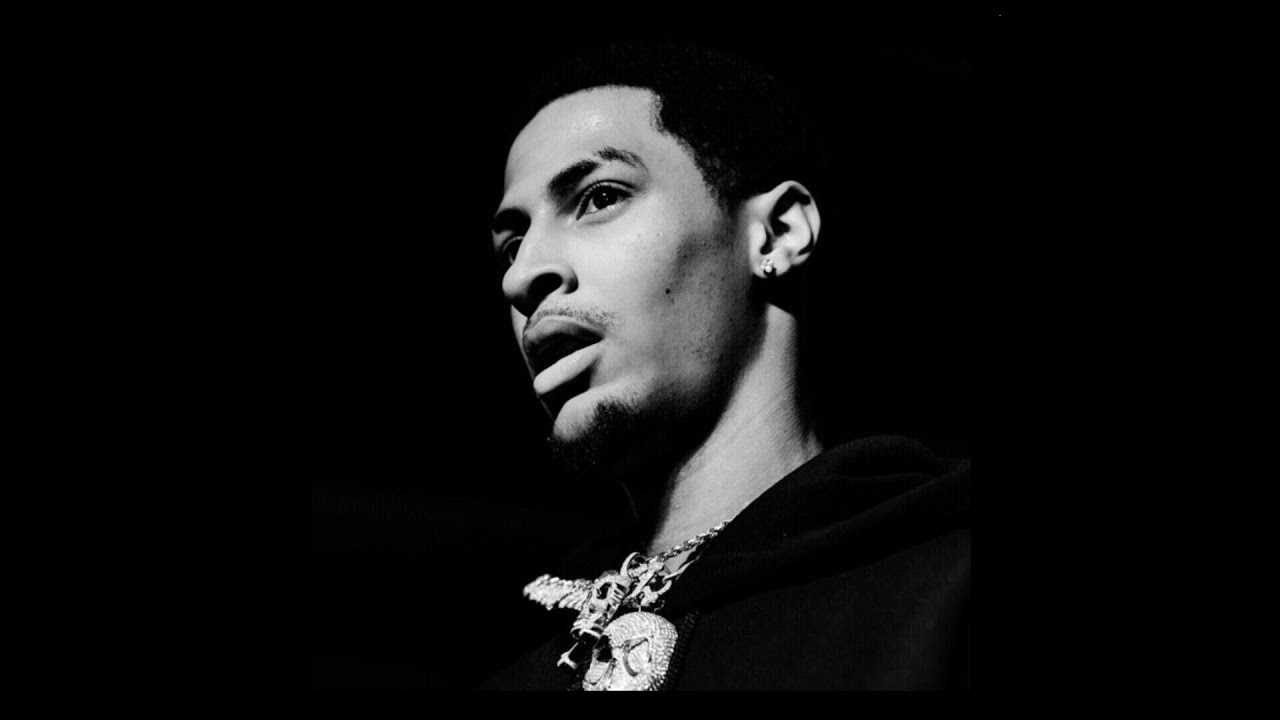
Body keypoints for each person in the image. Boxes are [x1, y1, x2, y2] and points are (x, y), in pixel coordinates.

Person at [481, 42, 970, 691]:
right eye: (511, 244)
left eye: (599, 197)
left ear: (778, 234)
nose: (521, 275)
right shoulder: (523, 671)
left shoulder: (945, 596)